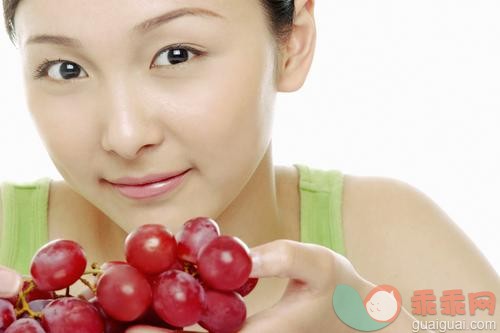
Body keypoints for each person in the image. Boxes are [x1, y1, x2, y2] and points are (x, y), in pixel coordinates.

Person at [0, 0, 498, 332]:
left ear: (291, 44)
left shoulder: (390, 232)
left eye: (176, 55)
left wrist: (371, 324)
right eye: (66, 69)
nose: (125, 137)